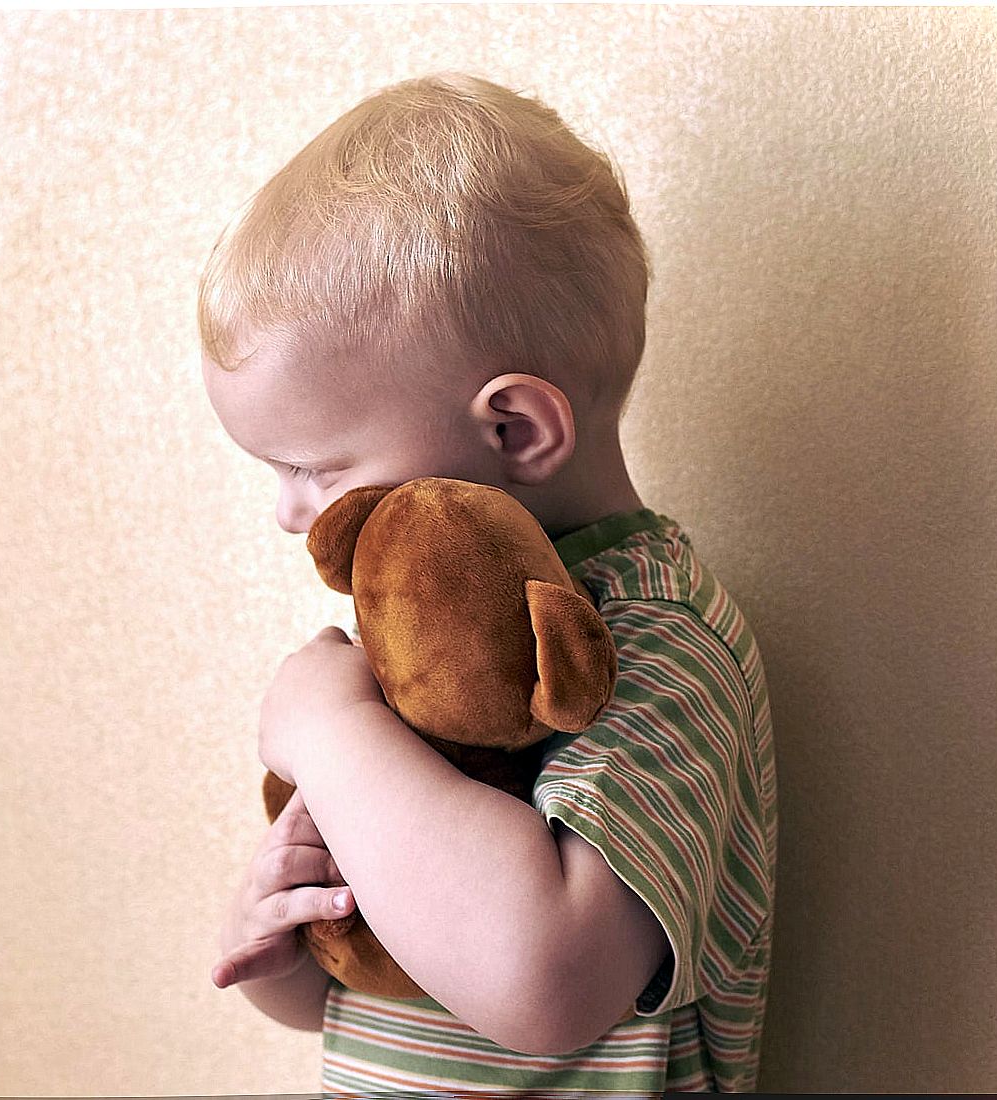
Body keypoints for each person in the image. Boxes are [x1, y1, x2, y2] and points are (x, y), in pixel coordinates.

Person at [201, 71, 777, 1094]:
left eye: (314, 466)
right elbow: (370, 984)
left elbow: (543, 980)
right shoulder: (416, 641)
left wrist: (334, 737)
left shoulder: (653, 645)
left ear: (514, 429)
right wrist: (282, 941)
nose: (291, 513)